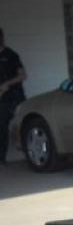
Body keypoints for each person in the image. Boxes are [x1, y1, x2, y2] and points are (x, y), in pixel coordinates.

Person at [0, 27, 27, 164]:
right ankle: (2, 158)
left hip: (15, 97)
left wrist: (7, 84)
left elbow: (23, 75)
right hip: (2, 99)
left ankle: (28, 154)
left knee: (22, 125)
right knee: (1, 128)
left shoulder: (11, 55)